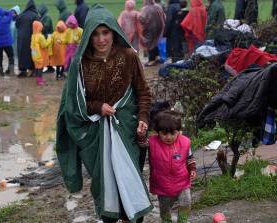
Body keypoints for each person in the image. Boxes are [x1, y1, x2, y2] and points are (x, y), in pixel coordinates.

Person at [56, 4, 153, 223]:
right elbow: (73, 102)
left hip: (127, 130)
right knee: (103, 182)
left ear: (113, 32)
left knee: (129, 178)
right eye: (95, 34)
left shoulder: (129, 56)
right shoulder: (80, 64)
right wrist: (98, 107)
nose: (101, 39)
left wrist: (143, 118)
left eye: (105, 32)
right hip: (95, 134)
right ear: (88, 35)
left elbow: (143, 92)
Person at [148, 110, 196, 223]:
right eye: (164, 133)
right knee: (164, 209)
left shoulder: (184, 143)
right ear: (158, 132)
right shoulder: (152, 143)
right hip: (162, 184)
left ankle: (183, 220)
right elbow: (140, 142)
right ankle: (166, 221)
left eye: (173, 133)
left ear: (179, 131)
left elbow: (189, 158)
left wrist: (192, 169)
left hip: (182, 181)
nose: (169, 137)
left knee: (186, 202)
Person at [16, 0, 39, 77]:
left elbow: (17, 25)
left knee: (22, 52)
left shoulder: (21, 15)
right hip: (31, 37)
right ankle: (32, 69)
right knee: (31, 53)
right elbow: (38, 27)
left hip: (20, 37)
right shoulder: (35, 15)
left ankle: (22, 70)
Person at [138, 0, 165, 66]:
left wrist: (139, 14)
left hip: (149, 29)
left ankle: (151, 59)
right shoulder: (158, 7)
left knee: (150, 44)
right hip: (158, 28)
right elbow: (164, 16)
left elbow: (141, 18)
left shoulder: (146, 9)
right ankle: (157, 57)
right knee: (156, 42)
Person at [38, 3, 55, 73]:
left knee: (48, 53)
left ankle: (50, 68)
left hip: (48, 37)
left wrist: (39, 27)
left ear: (43, 10)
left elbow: (46, 27)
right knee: (47, 53)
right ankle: (49, 67)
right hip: (45, 37)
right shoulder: (43, 17)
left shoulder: (46, 17)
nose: (39, 11)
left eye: (40, 9)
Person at [31, 21, 49, 86]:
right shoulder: (40, 36)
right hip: (40, 55)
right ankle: (39, 81)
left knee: (37, 67)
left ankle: (38, 80)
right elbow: (44, 45)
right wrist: (48, 41)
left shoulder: (33, 36)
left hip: (34, 55)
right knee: (40, 68)